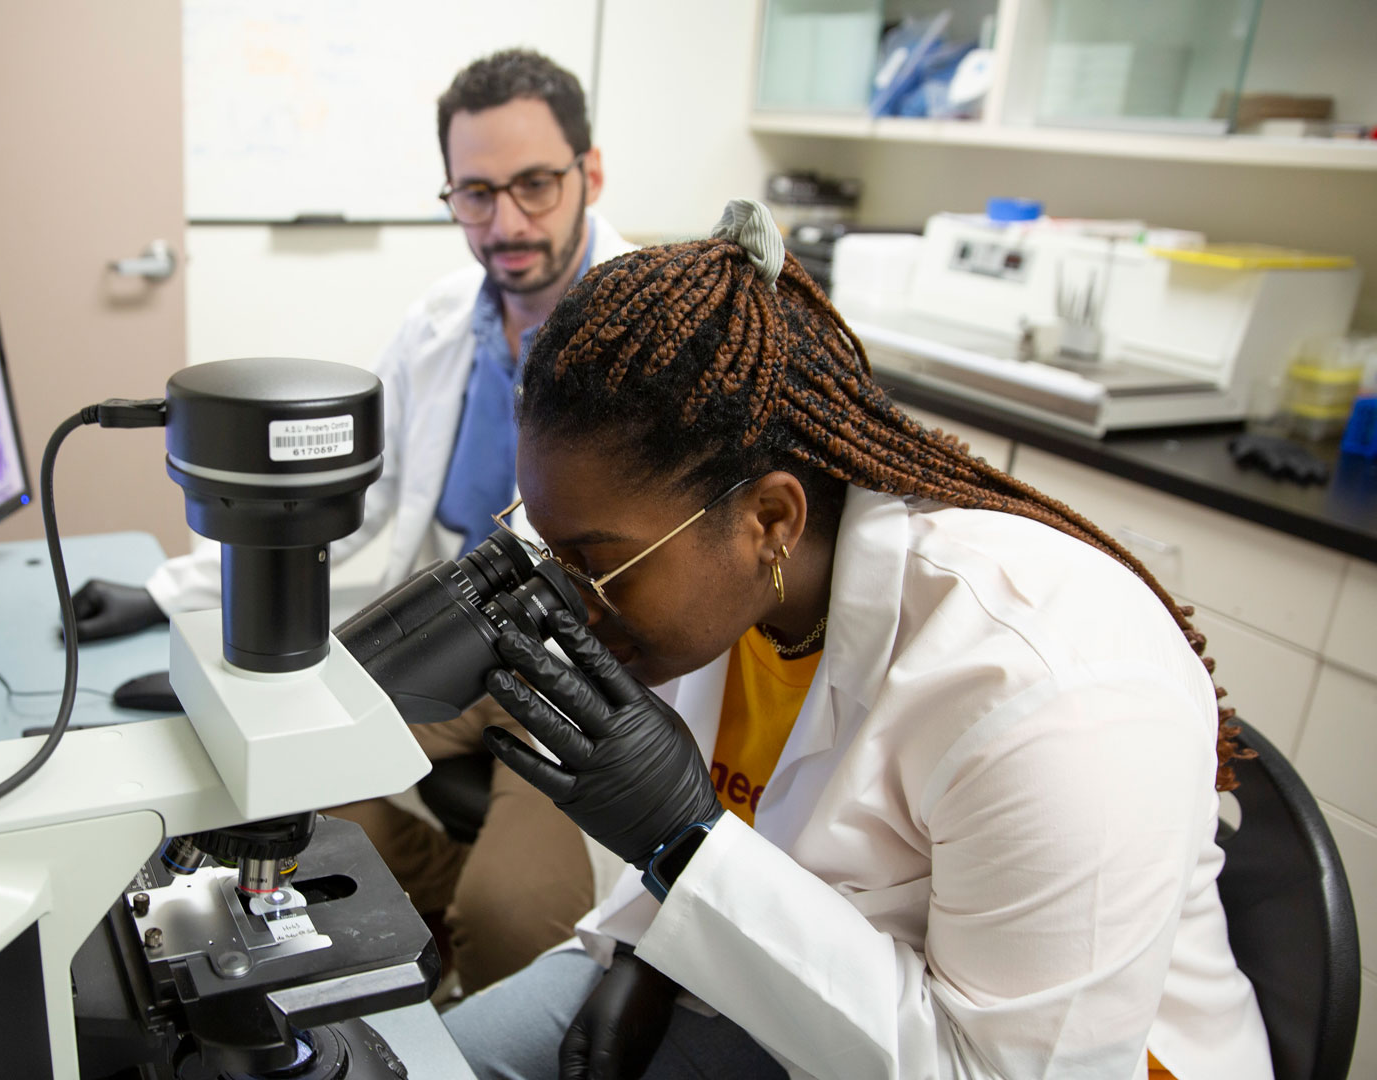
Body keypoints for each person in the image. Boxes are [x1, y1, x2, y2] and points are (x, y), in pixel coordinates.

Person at [441, 199, 1271, 1080]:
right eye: (550, 548)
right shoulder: (730, 590)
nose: (575, 603)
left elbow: (994, 1069)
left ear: (769, 520)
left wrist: (682, 840)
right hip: (794, 990)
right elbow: (767, 861)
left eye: (595, 565)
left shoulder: (1047, 685)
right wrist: (648, 949)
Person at [70, 49, 639, 993]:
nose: (506, 223)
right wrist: (168, 589)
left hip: (585, 665)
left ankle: (488, 928)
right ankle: (442, 915)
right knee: (285, 788)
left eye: (535, 185)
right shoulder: (439, 322)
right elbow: (336, 500)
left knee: (510, 916)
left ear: (592, 173)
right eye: (474, 193)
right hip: (461, 632)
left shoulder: (650, 326)